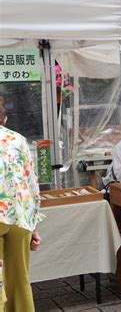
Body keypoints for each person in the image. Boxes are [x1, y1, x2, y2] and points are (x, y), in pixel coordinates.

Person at [0, 105, 44, 311]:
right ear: (5, 119)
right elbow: (32, 182)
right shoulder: (18, 139)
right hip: (20, 217)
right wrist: (34, 226)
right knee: (19, 279)